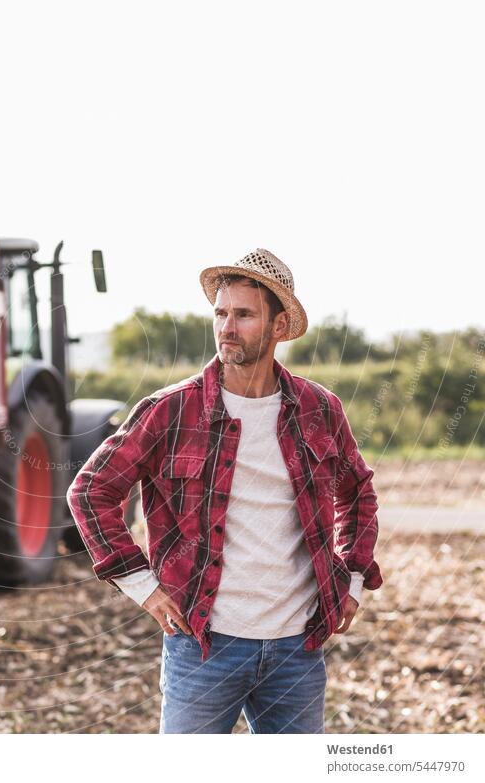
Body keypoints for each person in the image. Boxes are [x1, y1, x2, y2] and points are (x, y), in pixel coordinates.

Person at [66, 248, 383, 734]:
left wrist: (354, 580)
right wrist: (142, 588)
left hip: (298, 647)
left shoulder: (319, 409)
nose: (227, 328)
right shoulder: (169, 411)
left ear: (279, 327)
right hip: (204, 645)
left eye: (244, 315)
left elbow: (357, 491)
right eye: (221, 313)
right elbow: (90, 491)